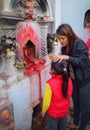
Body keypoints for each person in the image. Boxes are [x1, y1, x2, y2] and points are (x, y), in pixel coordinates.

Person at [51, 23, 90, 130]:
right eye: (59, 39)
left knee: (84, 107)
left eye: (62, 38)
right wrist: (58, 58)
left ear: (69, 35)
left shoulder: (79, 44)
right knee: (76, 103)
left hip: (84, 80)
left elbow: (83, 62)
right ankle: (75, 122)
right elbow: (66, 63)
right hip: (74, 80)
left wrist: (67, 57)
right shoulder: (64, 48)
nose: (61, 41)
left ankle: (82, 127)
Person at [41, 60, 73, 130]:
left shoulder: (50, 83)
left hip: (53, 114)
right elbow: (69, 94)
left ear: (52, 70)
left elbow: (46, 102)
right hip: (64, 112)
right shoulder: (69, 80)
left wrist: (43, 111)